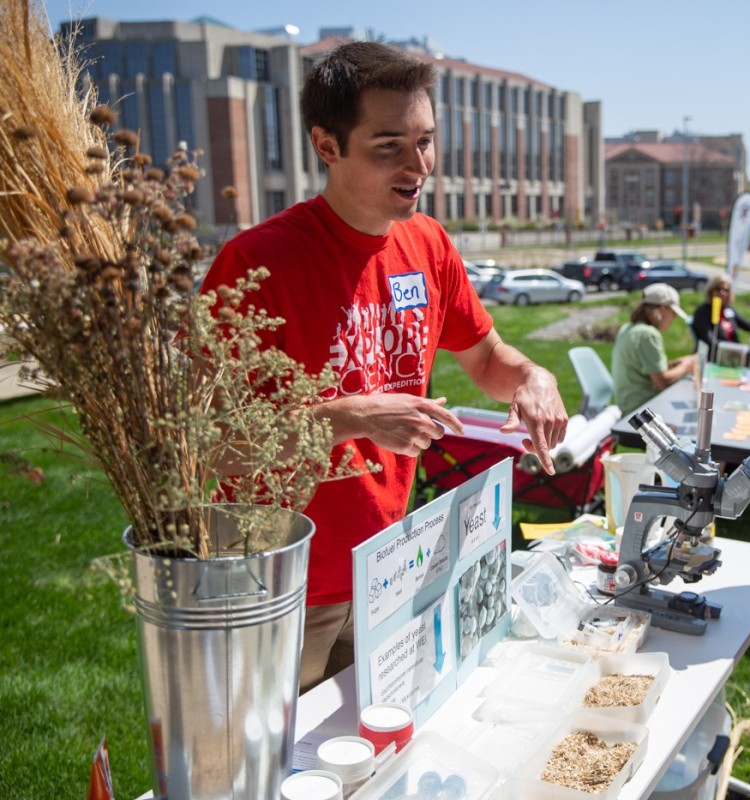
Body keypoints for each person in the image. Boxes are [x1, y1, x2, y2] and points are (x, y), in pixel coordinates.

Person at [201, 41, 568, 691]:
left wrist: (532, 378)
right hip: (280, 580)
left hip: (389, 564)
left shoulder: (427, 244)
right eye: (389, 145)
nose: (417, 165)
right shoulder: (256, 264)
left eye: (426, 141)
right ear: (326, 145)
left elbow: (484, 356)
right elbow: (210, 444)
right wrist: (352, 416)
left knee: (370, 761)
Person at [611, 283, 697, 414]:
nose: (673, 319)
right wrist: (686, 365)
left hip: (629, 406)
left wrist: (676, 363)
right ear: (663, 309)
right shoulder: (647, 334)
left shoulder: (628, 328)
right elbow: (663, 383)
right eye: (673, 313)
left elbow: (648, 369)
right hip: (642, 411)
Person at [691, 274, 750, 358]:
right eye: (718, 289)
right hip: (716, 357)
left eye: (726, 290)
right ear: (711, 291)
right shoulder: (702, 312)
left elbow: (749, 326)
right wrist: (738, 350)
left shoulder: (728, 310)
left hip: (735, 356)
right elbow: (710, 341)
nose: (722, 293)